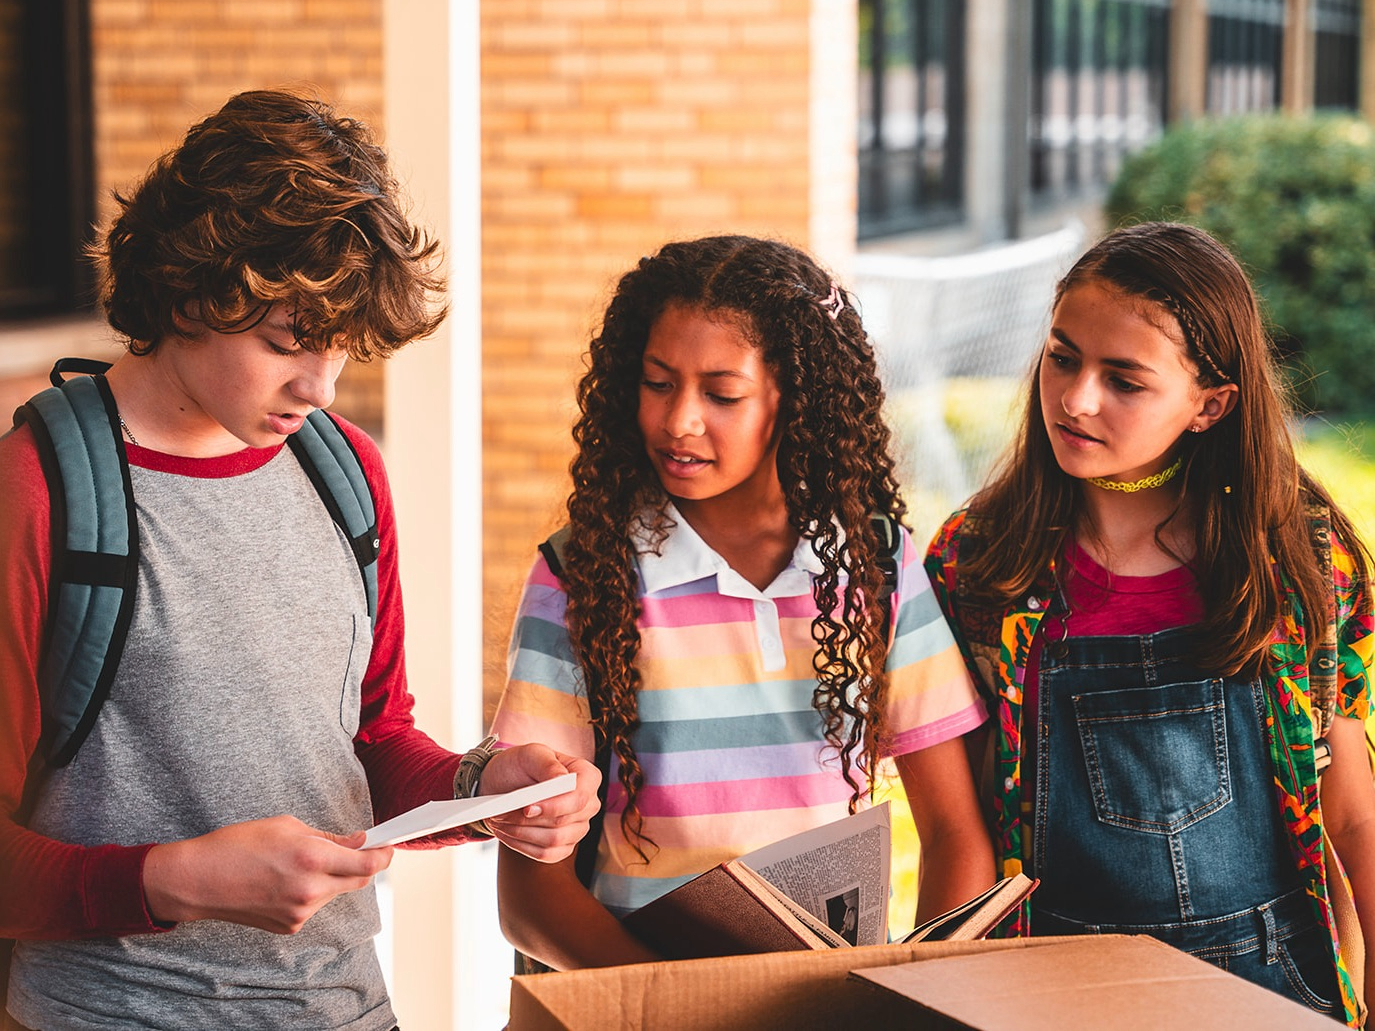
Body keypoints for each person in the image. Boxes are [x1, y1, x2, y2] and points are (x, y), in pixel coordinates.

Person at [0, 89, 599, 1031]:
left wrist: (485, 791)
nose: (319, 387)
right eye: (287, 342)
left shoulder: (345, 472)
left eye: (343, 351)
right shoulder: (40, 492)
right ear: (191, 290)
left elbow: (373, 741)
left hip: (348, 1009)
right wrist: (176, 880)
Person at [490, 234, 995, 970]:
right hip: (636, 1008)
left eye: (721, 394)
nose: (678, 421)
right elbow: (530, 901)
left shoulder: (874, 566)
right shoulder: (582, 576)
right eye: (657, 382)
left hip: (823, 1010)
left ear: (794, 398)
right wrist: (687, 1010)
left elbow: (954, 834)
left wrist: (907, 996)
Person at [924, 221, 1375, 1023]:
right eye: (1061, 357)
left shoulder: (1299, 558)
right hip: (1048, 991)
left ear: (1209, 405)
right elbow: (963, 826)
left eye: (1123, 380)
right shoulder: (979, 562)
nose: (1074, 397)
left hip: (1267, 991)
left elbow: (1349, 808)